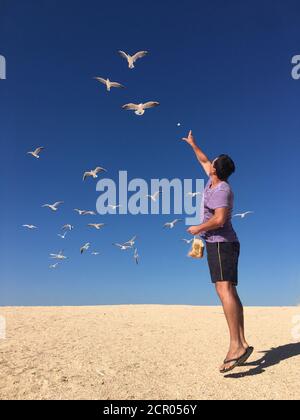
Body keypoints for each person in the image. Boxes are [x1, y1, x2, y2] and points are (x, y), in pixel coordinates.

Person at [182, 130, 253, 374]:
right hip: (218, 244)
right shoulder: (212, 180)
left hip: (222, 243)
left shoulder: (222, 189)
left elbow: (220, 219)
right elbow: (202, 159)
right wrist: (193, 144)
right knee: (227, 290)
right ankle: (242, 341)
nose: (208, 162)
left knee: (224, 290)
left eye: (212, 163)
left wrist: (197, 229)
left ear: (216, 169)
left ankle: (235, 346)